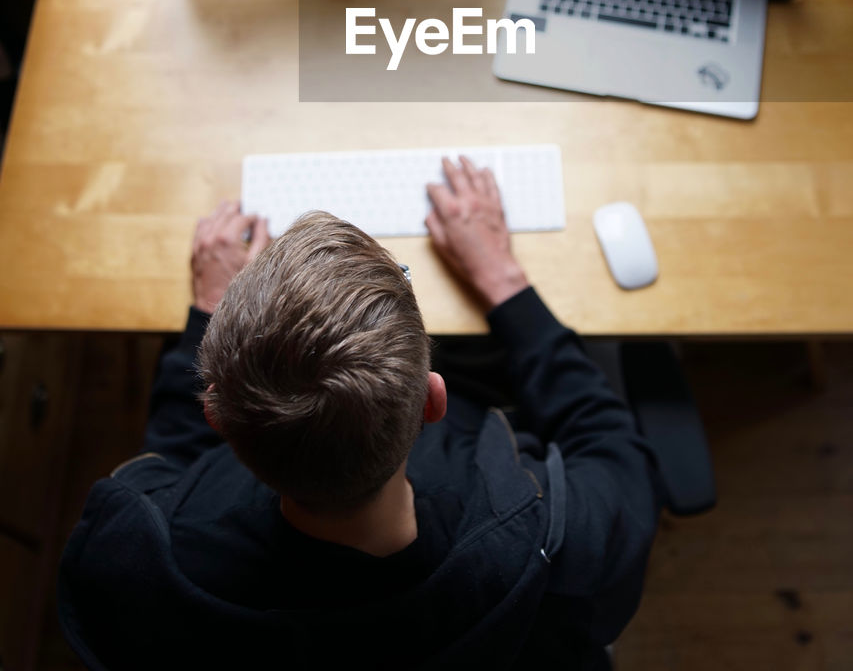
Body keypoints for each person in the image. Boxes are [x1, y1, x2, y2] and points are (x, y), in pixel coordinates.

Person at [58, 156, 662, 670]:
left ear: (214, 412)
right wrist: (504, 282)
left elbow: (170, 461)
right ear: (433, 401)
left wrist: (208, 309)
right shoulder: (547, 534)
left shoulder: (129, 554)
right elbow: (613, 449)